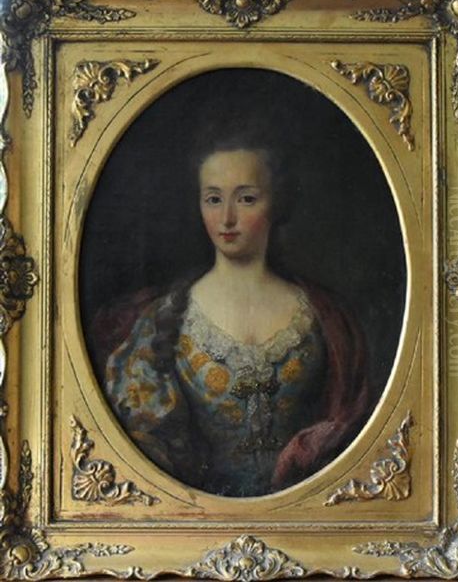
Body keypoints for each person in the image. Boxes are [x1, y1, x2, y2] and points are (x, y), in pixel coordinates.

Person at [102, 141, 369, 497]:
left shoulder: (324, 318)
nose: (227, 218)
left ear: (276, 202)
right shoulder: (165, 318)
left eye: (246, 199)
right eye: (214, 199)